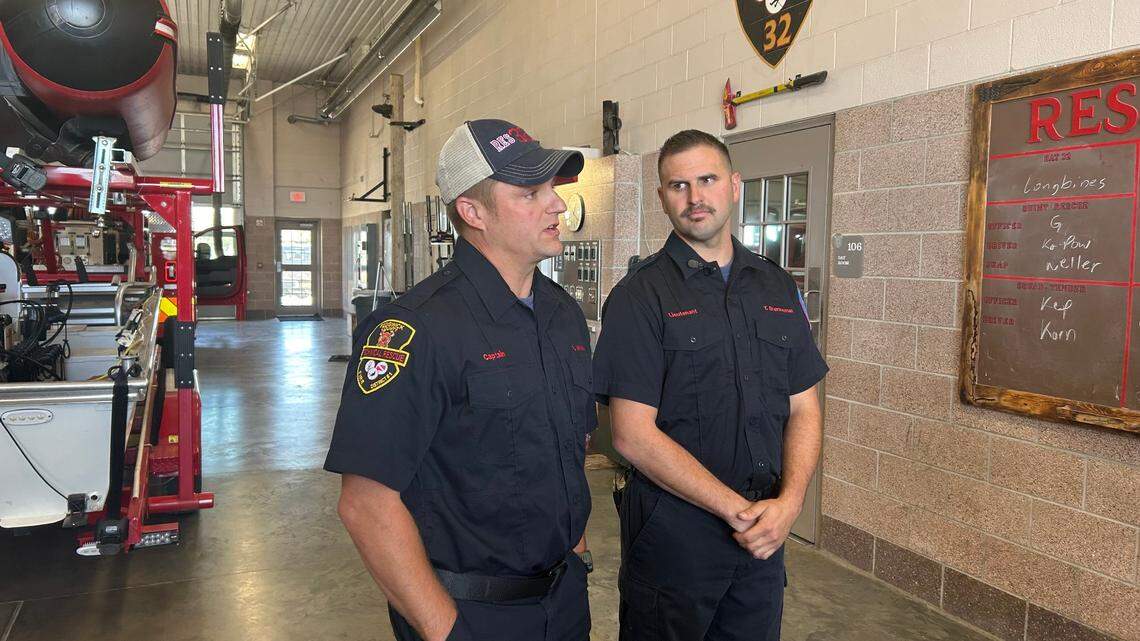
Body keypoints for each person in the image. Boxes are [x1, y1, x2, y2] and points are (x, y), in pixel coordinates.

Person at [325, 119, 595, 641]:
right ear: (473, 213)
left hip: (563, 602)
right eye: (530, 193)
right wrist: (445, 631)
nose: (558, 205)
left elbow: (570, 443)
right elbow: (365, 504)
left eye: (553, 190)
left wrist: (577, 548)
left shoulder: (563, 315)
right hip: (469, 613)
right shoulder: (415, 329)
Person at [593, 129, 828, 641]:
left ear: (734, 185)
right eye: (678, 186)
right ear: (661, 198)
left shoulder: (775, 284)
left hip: (763, 535)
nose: (695, 197)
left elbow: (804, 406)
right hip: (675, 537)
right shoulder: (640, 297)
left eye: (707, 180)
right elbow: (631, 434)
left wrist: (788, 506)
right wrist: (737, 512)